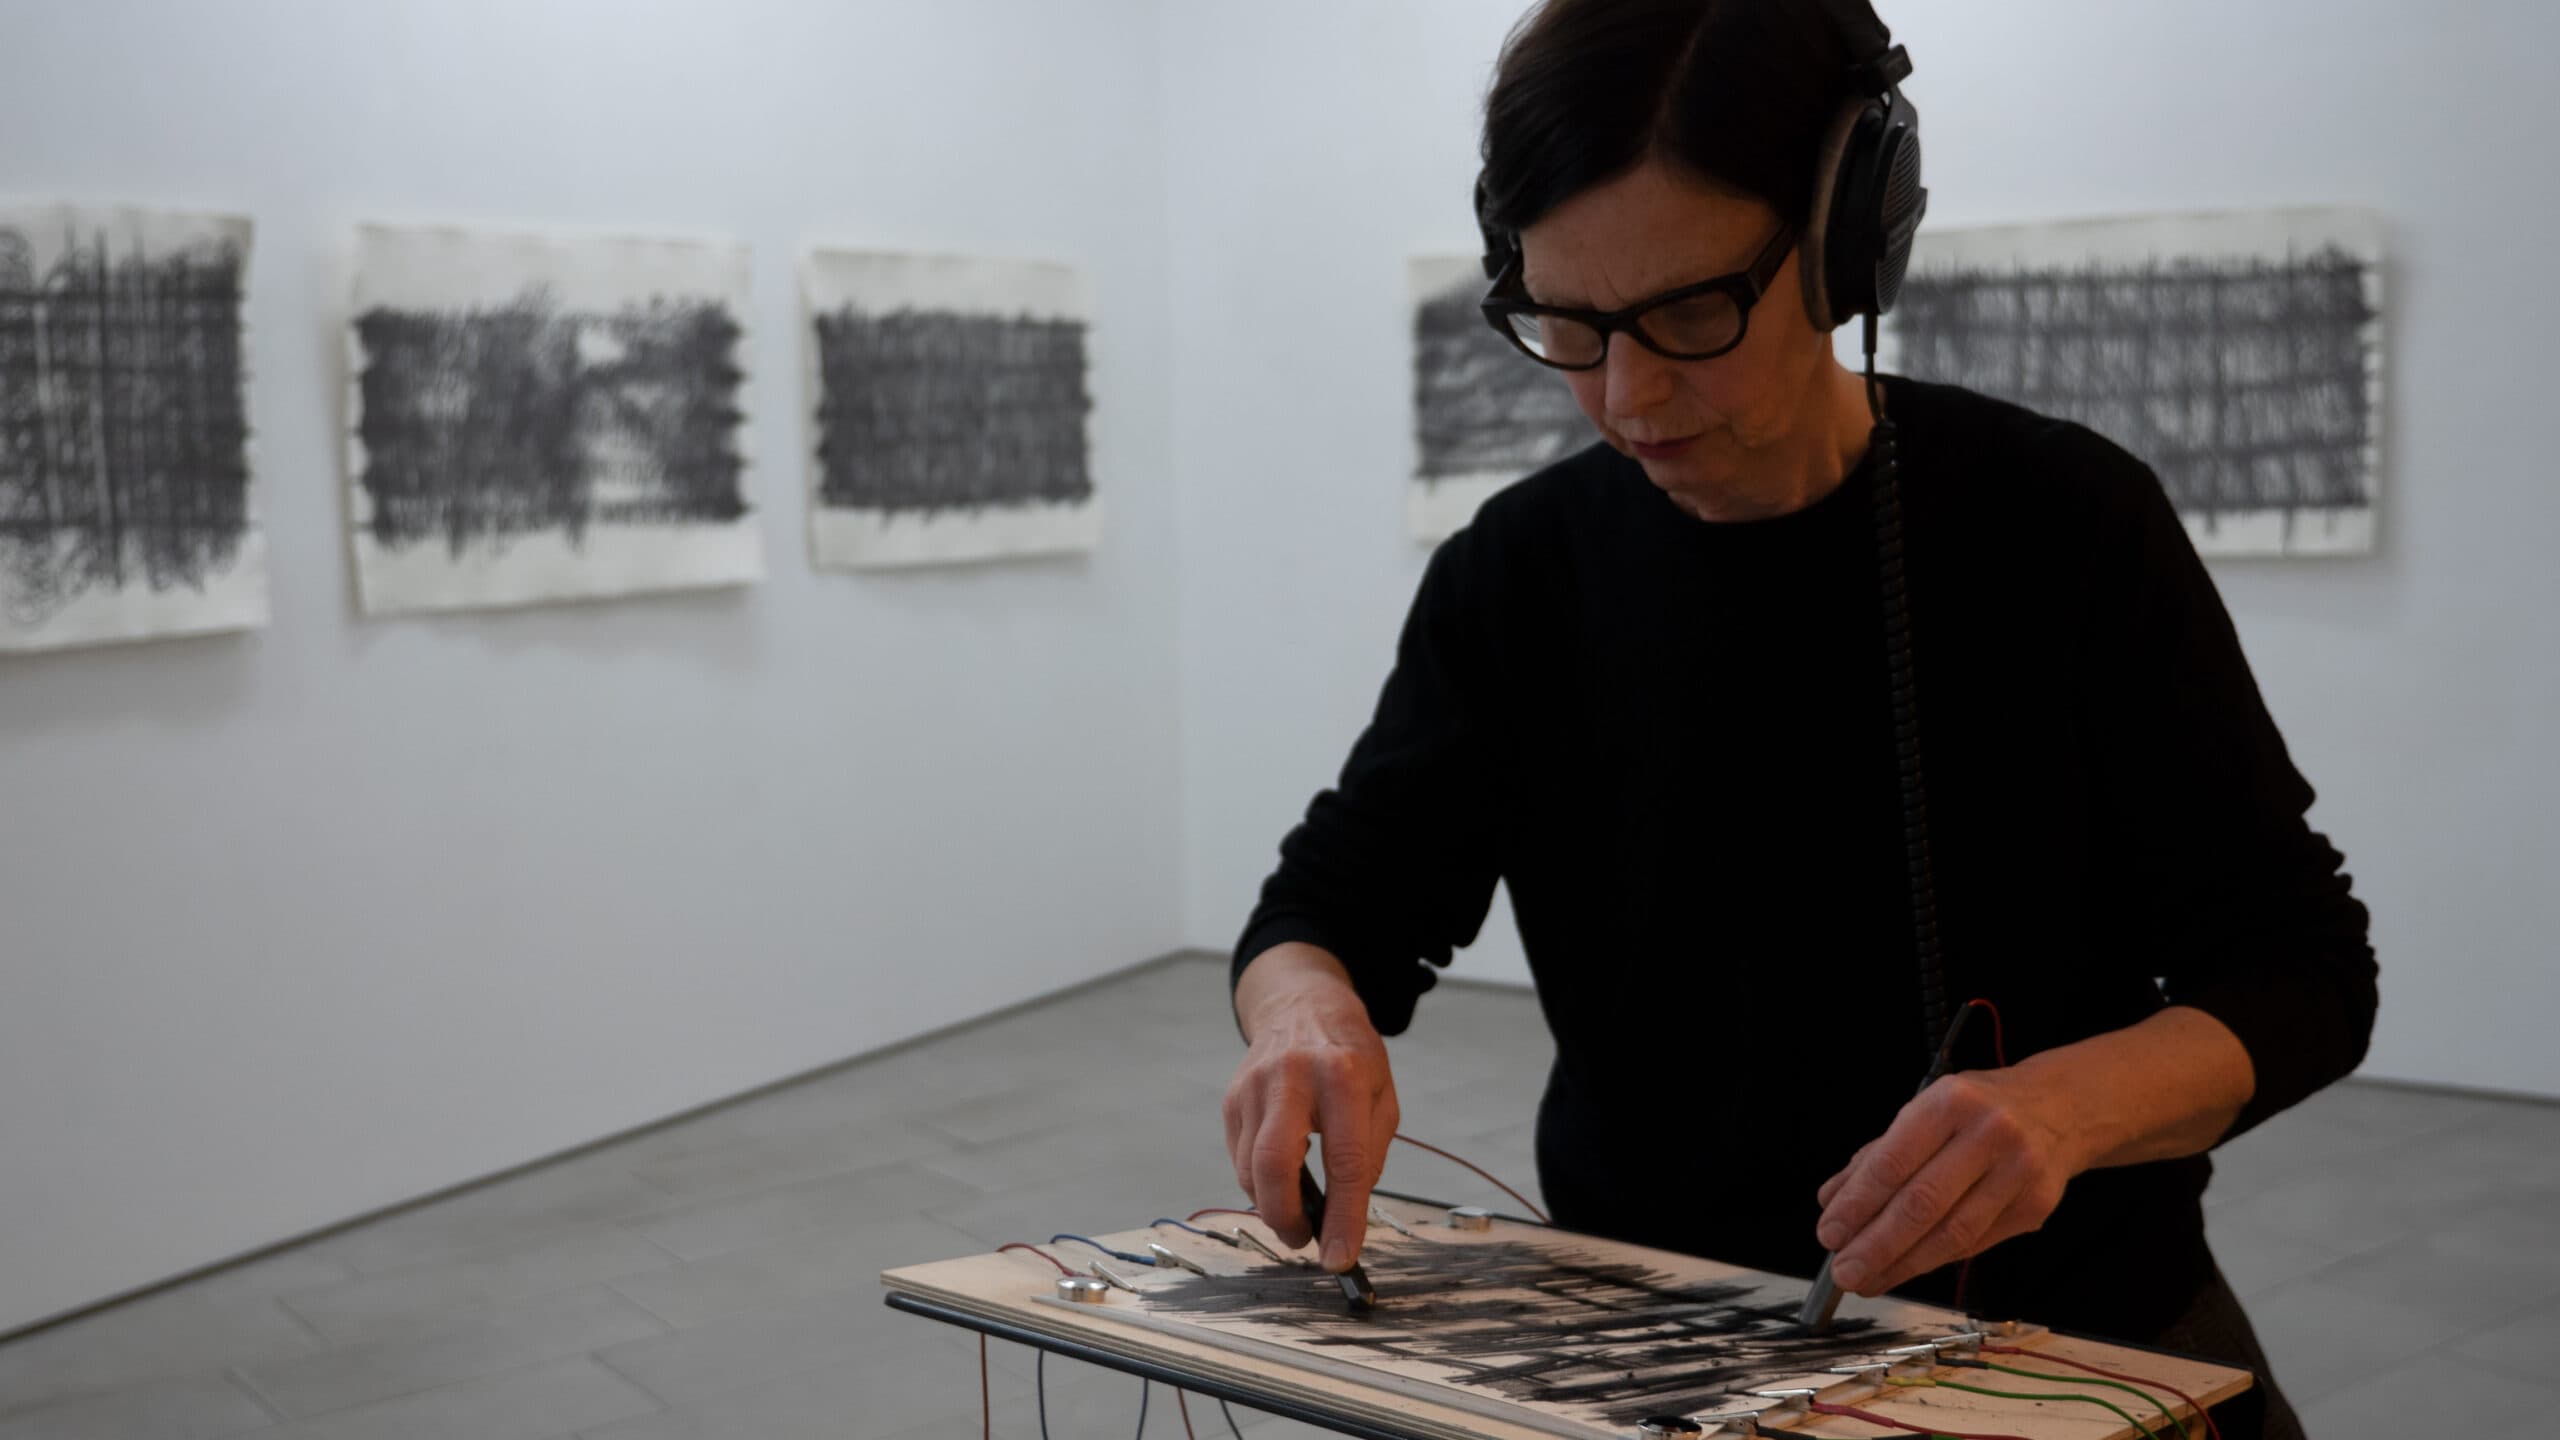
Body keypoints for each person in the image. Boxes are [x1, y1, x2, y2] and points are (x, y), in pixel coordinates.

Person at [1217, 3, 2375, 1437]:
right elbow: (1327, 906)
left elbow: (2303, 973)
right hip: (1658, 1362)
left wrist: (2063, 1111)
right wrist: (1303, 1019)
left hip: (2074, 1355)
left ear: (1848, 247)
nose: (1627, 398)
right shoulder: (1516, 575)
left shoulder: (2067, 525)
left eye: (1694, 314)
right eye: (1569, 326)